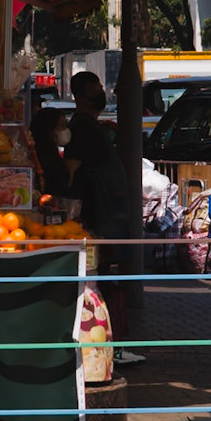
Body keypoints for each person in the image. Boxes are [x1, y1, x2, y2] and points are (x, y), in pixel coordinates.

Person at [64, 71, 138, 362]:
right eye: (94, 89)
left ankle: (109, 344)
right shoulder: (82, 127)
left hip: (107, 212)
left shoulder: (92, 126)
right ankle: (106, 344)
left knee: (105, 276)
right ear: (80, 95)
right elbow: (71, 169)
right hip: (98, 214)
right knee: (99, 279)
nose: (100, 93)